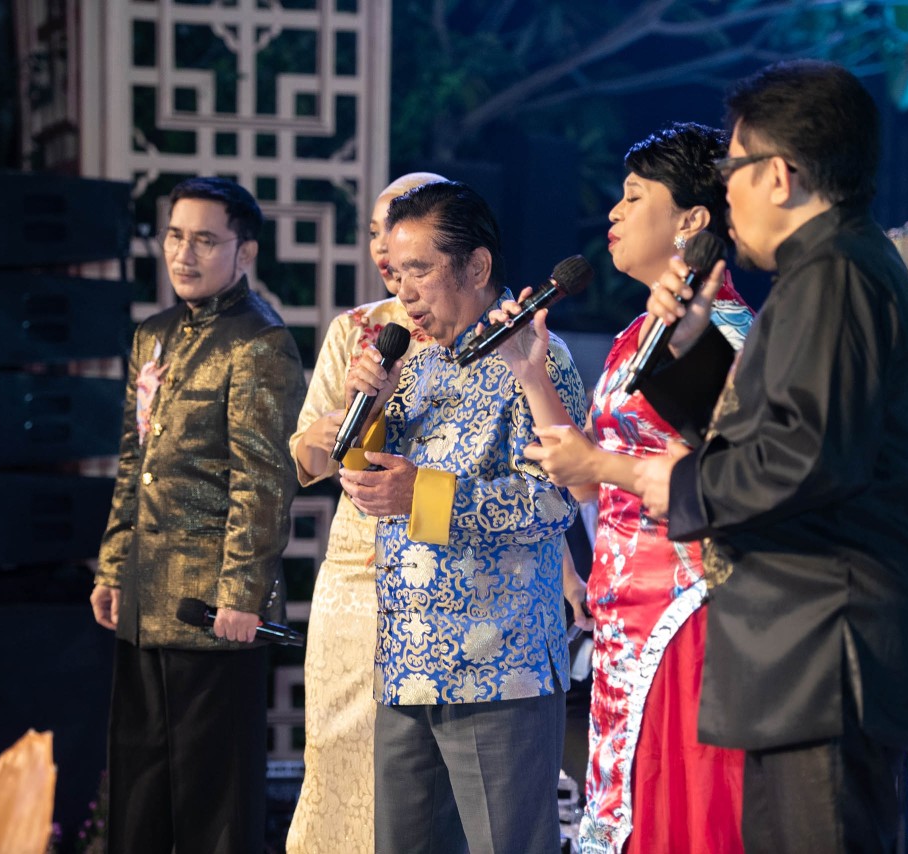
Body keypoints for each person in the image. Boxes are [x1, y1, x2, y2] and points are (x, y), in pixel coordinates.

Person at [633, 60, 908, 853]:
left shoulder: (836, 274)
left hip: (829, 650)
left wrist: (678, 483)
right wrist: (689, 348)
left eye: (733, 170)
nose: (727, 194)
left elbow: (809, 456)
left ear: (779, 176)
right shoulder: (830, 269)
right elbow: (782, 428)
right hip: (814, 652)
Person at [489, 122, 753, 854]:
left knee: (683, 812)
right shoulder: (634, 335)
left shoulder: (729, 334)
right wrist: (530, 373)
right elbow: (587, 479)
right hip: (621, 608)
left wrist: (598, 467)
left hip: (691, 608)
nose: (613, 212)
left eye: (635, 197)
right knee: (625, 806)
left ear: (692, 220)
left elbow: (737, 480)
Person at [338, 180, 587, 854]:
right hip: (406, 662)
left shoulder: (538, 359)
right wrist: (370, 407)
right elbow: (369, 482)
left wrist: (421, 494)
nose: (404, 291)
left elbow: (554, 500)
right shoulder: (412, 365)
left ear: (476, 267)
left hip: (498, 669)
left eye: (419, 270)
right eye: (395, 273)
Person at [89, 176, 305, 854]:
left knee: (212, 801)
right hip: (144, 597)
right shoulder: (153, 335)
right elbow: (135, 461)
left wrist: (242, 592)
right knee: (138, 785)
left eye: (205, 240)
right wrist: (113, 567)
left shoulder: (259, 341)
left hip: (213, 609)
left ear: (245, 252)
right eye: (175, 236)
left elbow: (263, 481)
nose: (183, 254)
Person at [284, 171, 443, 854]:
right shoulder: (357, 330)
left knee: (419, 773)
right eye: (376, 231)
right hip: (355, 573)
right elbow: (307, 453)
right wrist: (336, 425)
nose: (383, 247)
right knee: (336, 747)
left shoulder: (481, 334)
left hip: (444, 565)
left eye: (399, 229)